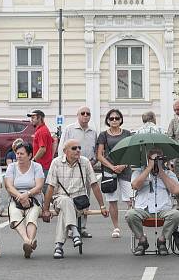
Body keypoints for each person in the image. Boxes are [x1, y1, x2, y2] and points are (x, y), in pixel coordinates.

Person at [43, 139, 109, 259]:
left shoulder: (85, 162)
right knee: (65, 201)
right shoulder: (56, 163)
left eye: (79, 147)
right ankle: (75, 232)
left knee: (65, 209)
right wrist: (46, 209)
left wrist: (102, 206)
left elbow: (94, 184)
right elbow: (50, 187)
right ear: (65, 151)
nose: (78, 150)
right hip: (60, 199)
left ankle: (59, 246)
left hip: (79, 203)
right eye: (74, 148)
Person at [127, 148, 179, 256]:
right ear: (148, 159)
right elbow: (135, 186)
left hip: (163, 209)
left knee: (176, 214)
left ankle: (162, 240)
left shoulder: (168, 173)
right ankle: (142, 240)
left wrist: (161, 172)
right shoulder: (139, 171)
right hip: (143, 209)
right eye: (154, 159)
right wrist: (149, 168)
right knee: (130, 215)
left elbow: (176, 190)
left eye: (159, 159)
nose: (157, 161)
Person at [58, 106, 99, 238]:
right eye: (83, 113)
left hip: (86, 167)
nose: (85, 115)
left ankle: (82, 227)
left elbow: (95, 150)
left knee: (85, 198)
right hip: (70, 168)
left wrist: (93, 161)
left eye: (88, 113)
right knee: (70, 198)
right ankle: (71, 228)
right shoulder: (69, 129)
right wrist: (63, 165)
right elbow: (61, 148)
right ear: (78, 115)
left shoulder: (93, 131)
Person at [4, 142, 45, 258]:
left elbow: (39, 186)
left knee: (32, 215)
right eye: (17, 154)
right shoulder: (12, 167)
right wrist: (20, 196)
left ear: (30, 155)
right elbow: (9, 186)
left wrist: (27, 194)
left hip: (34, 197)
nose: (18, 156)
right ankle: (28, 241)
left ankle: (29, 241)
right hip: (16, 197)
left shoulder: (37, 167)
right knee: (15, 213)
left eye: (22, 154)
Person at [97, 108, 132, 238]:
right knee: (112, 200)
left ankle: (134, 227)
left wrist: (123, 165)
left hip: (125, 169)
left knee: (130, 199)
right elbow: (100, 155)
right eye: (111, 118)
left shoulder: (127, 133)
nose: (114, 120)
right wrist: (112, 167)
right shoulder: (103, 135)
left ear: (121, 119)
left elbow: (131, 152)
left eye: (117, 118)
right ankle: (116, 227)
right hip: (109, 170)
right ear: (107, 120)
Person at [28, 109, 54, 174]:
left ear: (39, 118)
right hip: (44, 165)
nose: (31, 120)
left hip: (42, 166)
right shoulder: (43, 129)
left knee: (41, 184)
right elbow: (54, 141)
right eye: (31, 118)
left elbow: (42, 149)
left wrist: (33, 161)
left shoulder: (42, 131)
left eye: (33, 117)